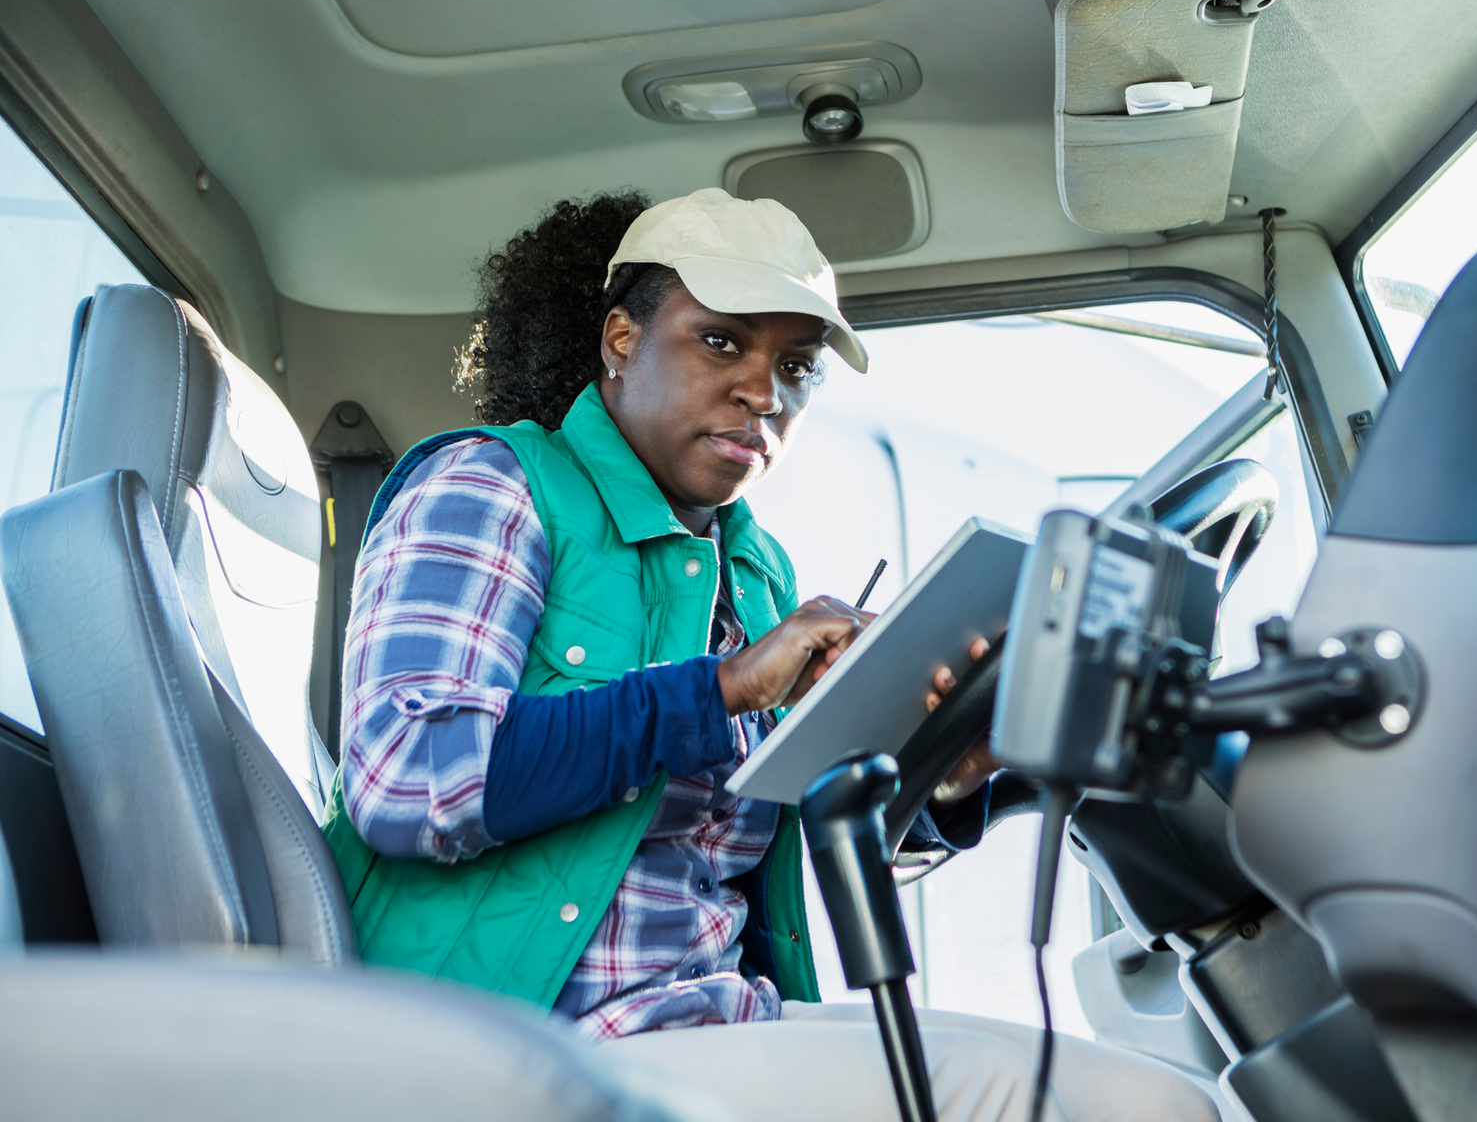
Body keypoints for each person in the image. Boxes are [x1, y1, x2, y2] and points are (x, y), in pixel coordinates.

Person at [321, 187, 1217, 1122]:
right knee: (1004, 1097)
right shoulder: (491, 485)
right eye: (721, 342)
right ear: (621, 339)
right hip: (534, 1040)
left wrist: (948, 771)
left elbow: (783, 823)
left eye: (796, 366)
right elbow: (407, 775)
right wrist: (721, 690)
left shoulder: (755, 570)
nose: (765, 393)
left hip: (714, 1016)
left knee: (1148, 1099)